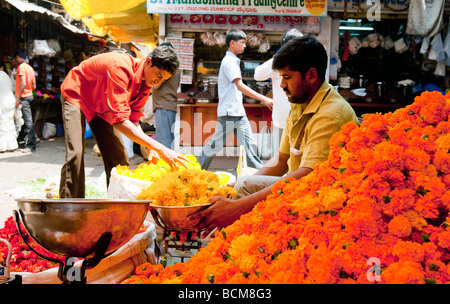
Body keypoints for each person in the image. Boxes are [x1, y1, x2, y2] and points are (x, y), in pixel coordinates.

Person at [191, 36, 359, 237]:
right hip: (298, 186)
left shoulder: (331, 114)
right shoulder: (300, 103)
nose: (281, 86)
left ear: (311, 75)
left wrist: (238, 207)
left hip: (321, 198)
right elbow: (281, 160)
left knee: (242, 208)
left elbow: (307, 176)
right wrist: (233, 189)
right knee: (243, 184)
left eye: (286, 77)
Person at [59, 45, 189, 198]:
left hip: (101, 105)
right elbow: (120, 121)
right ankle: (69, 207)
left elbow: (133, 119)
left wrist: (149, 146)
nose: (158, 82)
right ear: (148, 62)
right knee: (76, 155)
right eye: (158, 75)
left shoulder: (146, 84)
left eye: (163, 79)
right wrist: (159, 147)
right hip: (77, 94)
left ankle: (118, 202)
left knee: (118, 157)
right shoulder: (120, 67)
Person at [197, 29, 273, 170]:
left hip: (237, 111)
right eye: (242, 42)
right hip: (230, 111)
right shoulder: (230, 62)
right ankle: (196, 169)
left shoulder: (233, 61)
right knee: (216, 144)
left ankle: (259, 173)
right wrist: (263, 98)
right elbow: (240, 85)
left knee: (249, 145)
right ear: (232, 43)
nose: (245, 45)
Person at [254, 29, 303, 154]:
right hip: (283, 120)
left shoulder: (308, 63)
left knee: (300, 158)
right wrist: (277, 60)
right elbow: (258, 75)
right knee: (280, 157)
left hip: (303, 120)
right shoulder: (277, 64)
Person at [152, 43, 181, 149]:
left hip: (164, 105)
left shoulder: (167, 66)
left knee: (164, 140)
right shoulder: (175, 67)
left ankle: (166, 164)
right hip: (167, 105)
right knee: (167, 138)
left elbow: (156, 85)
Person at [10, 49, 37, 152]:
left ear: (17, 57)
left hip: (24, 97)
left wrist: (18, 98)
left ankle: (31, 145)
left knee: (27, 121)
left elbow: (23, 83)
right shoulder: (30, 68)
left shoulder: (21, 68)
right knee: (26, 121)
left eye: (15, 58)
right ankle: (23, 141)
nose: (15, 61)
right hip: (29, 95)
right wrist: (28, 90)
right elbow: (34, 85)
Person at [0, 60, 18, 152]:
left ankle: (2, 146)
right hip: (9, 100)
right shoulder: (5, 75)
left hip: (2, 101)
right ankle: (12, 145)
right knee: (10, 123)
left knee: (2, 124)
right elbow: (10, 88)